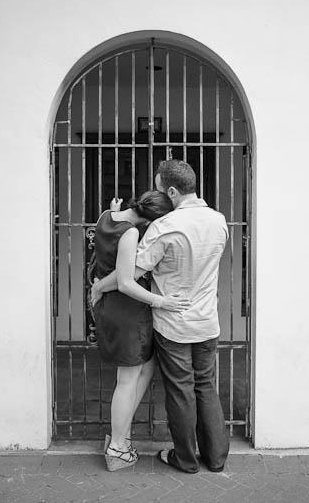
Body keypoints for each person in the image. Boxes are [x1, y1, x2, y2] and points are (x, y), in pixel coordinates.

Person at [91, 159, 229, 474]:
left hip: (173, 323)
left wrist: (99, 285)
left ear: (170, 190)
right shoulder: (219, 221)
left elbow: (130, 274)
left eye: (158, 187)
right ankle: (216, 458)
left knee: (180, 389)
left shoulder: (164, 227)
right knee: (205, 385)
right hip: (207, 321)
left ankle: (186, 459)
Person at [89, 190, 190, 472]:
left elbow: (108, 246)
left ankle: (120, 434)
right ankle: (118, 447)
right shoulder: (131, 233)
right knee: (127, 379)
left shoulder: (106, 216)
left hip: (113, 307)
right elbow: (125, 281)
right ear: (152, 221)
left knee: (145, 366)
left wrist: (114, 209)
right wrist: (163, 302)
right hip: (126, 309)